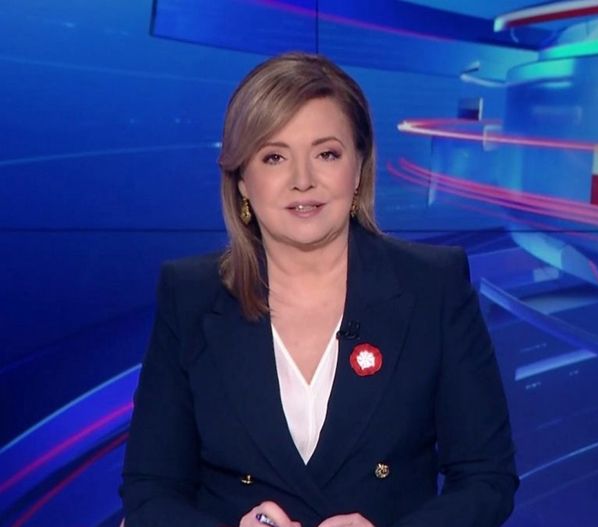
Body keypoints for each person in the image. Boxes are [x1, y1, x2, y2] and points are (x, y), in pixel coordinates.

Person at [120, 52, 517, 527]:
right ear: (242, 180)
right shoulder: (190, 295)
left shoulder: (433, 286)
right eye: (274, 157)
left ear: (359, 167)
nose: (302, 181)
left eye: (326, 154)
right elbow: (151, 491)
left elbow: (486, 479)